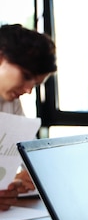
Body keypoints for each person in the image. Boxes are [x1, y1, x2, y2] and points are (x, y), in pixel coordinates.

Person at [0, 24, 56, 210]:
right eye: (26, 76)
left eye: (36, 84)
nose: (28, 90)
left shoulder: (10, 102)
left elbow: (29, 156)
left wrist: (27, 177)